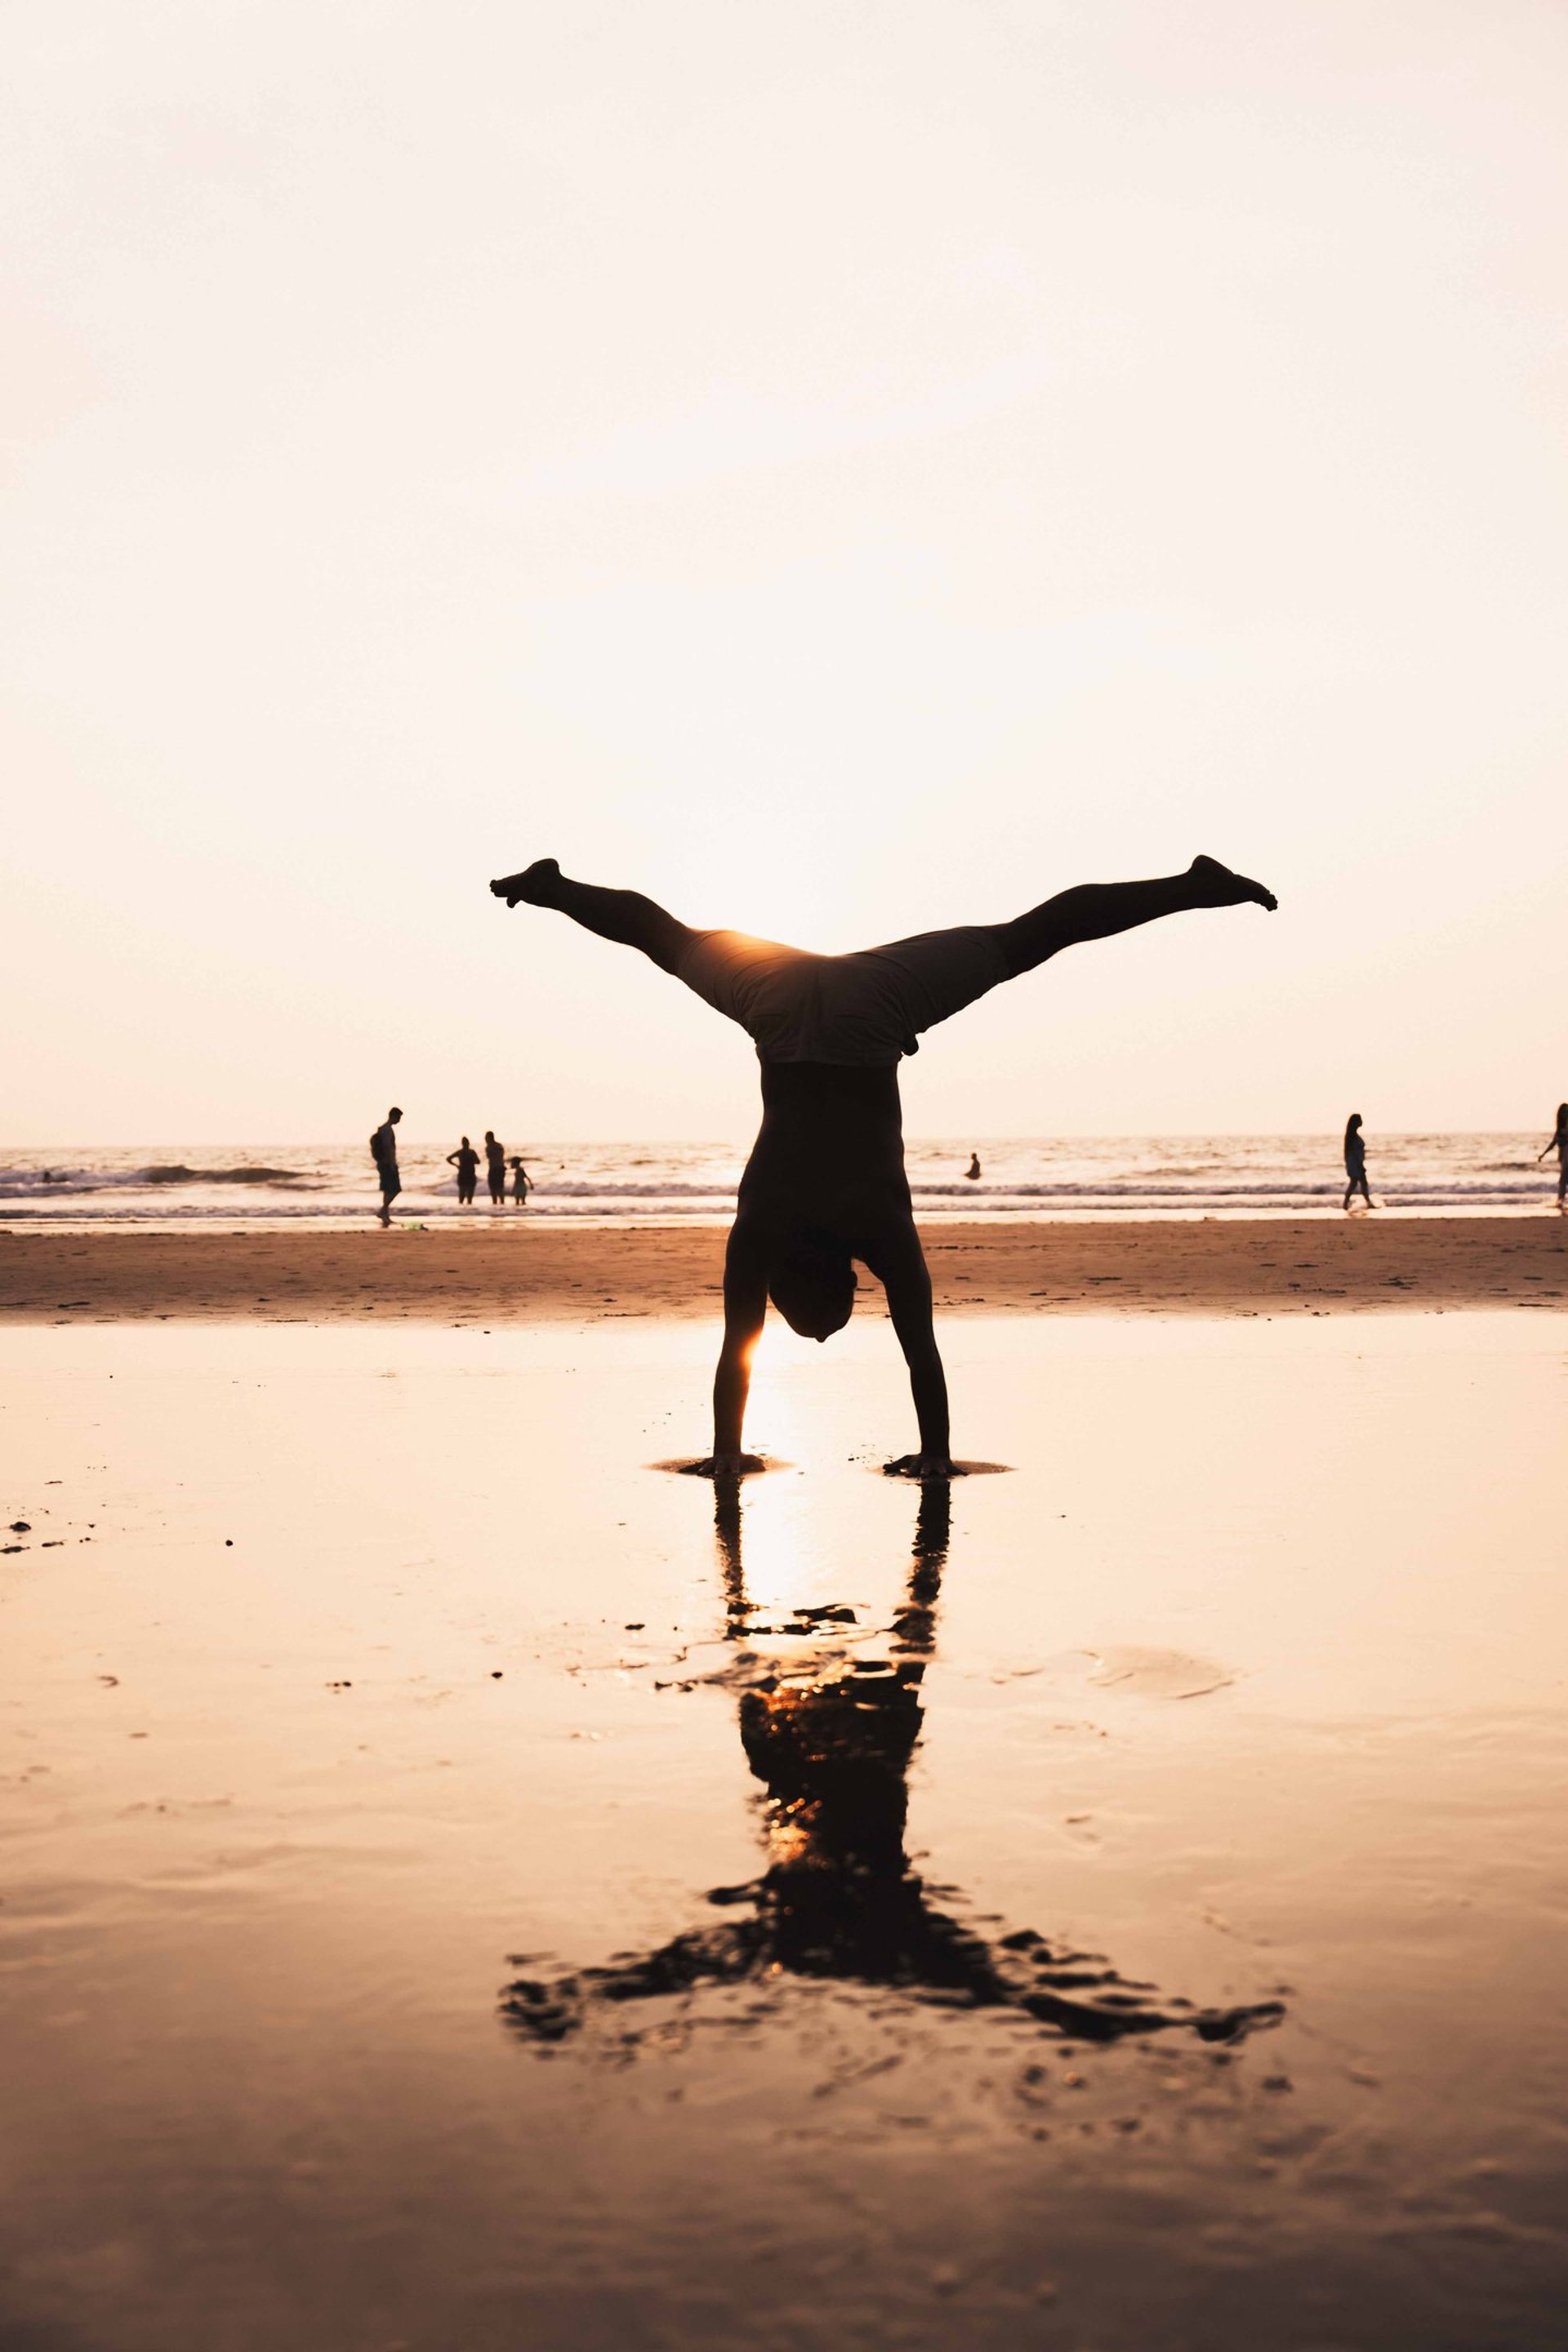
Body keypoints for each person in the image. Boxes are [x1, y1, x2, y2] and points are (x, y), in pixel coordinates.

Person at [491, 853, 1276, 1473]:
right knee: (666, 938)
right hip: (782, 1001)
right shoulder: (763, 1228)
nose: (839, 1325)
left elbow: (920, 1353)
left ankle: (1190, 886)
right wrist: (728, 1451)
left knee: (1030, 938)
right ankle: (556, 890)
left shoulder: (878, 1230)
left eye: (835, 1316)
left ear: (843, 1281)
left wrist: (935, 1456)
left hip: (875, 1008)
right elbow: (739, 1348)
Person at [370, 1107, 403, 1227]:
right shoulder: (387, 1130)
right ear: (393, 1116)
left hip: (382, 1163)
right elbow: (388, 1148)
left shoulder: (383, 1129)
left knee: (387, 1190)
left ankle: (385, 1216)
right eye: (398, 1117)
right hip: (388, 1164)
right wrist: (392, 1163)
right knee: (396, 1189)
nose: (399, 1120)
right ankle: (383, 1211)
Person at [1536, 1102, 1568, 1208]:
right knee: (1564, 1180)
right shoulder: (1559, 1129)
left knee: (1563, 1179)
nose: (1566, 1113)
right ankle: (1560, 1200)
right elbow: (1553, 1143)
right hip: (1562, 1156)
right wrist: (1543, 1154)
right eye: (1564, 1111)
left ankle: (1560, 1201)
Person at [1343, 1112, 1374, 1211]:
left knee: (1356, 1183)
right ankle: (1367, 1202)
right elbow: (1354, 1153)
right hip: (1355, 1164)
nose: (1362, 1122)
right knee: (1359, 1183)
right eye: (1360, 1120)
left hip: (1355, 1163)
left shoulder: (1353, 1136)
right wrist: (1360, 1164)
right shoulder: (1352, 1137)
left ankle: (1346, 1203)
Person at [447, 1134, 480, 1206]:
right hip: (469, 1174)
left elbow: (448, 1159)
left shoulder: (461, 1152)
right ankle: (466, 1211)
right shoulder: (471, 1152)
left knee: (462, 1195)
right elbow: (478, 1162)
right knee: (468, 1196)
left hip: (464, 1174)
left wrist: (457, 1165)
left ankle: (463, 1211)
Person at [484, 1130, 507, 1206]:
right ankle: (496, 1205)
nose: (485, 1139)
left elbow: (491, 1156)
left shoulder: (495, 1146)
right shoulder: (496, 1146)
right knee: (494, 1189)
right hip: (495, 1169)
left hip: (498, 1169)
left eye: (486, 1138)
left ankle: (500, 1205)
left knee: (498, 1189)